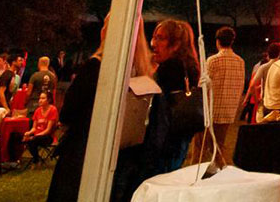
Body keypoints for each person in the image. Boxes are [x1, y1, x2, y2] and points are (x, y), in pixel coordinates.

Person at [48, 17, 152, 202]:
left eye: (105, 25)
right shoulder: (140, 69)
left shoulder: (96, 67)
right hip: (121, 154)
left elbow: (69, 112)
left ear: (108, 31)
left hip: (85, 151)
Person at [149, 20, 201, 174]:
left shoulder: (170, 68)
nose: (153, 44)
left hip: (163, 143)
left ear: (176, 44)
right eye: (154, 37)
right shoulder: (189, 67)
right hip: (179, 141)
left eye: (161, 38)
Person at [194, 25, 246, 166]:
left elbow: (203, 84)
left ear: (218, 41)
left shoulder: (213, 60)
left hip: (211, 110)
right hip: (228, 111)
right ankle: (224, 169)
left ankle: (193, 173)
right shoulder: (240, 61)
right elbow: (241, 85)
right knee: (219, 145)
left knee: (200, 146)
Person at [247, 42, 280, 122]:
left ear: (268, 54)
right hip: (279, 103)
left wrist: (257, 100)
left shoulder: (263, 67)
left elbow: (252, 85)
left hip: (265, 102)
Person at [23, 91, 59, 163]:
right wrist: (29, 133)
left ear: (48, 100)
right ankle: (35, 158)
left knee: (32, 140)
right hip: (37, 136)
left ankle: (36, 160)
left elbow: (48, 130)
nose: (40, 100)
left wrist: (34, 136)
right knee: (19, 136)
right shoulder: (37, 111)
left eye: (43, 98)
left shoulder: (53, 110)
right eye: (40, 98)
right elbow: (34, 128)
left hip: (48, 137)